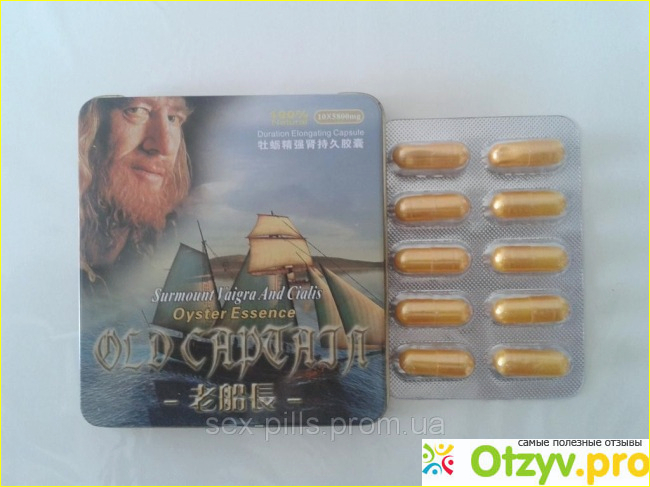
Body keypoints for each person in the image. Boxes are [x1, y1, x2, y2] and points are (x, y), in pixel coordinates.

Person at [79, 96, 193, 288]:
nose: (165, 146)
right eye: (136, 110)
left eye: (173, 118)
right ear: (89, 124)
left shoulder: (168, 246)